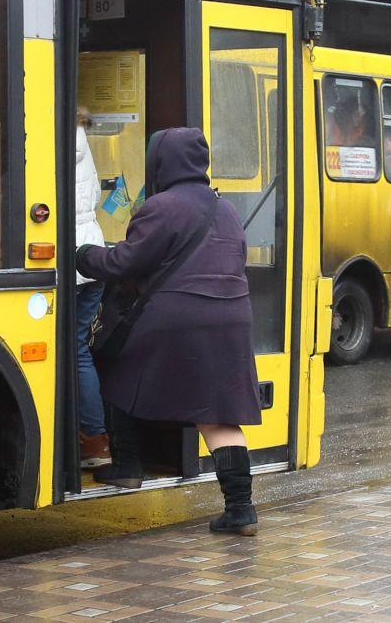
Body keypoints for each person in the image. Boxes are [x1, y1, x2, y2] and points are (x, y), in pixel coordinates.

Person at [77, 127, 262, 536]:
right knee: (219, 415)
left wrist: (84, 255)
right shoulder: (225, 209)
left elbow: (124, 263)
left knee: (115, 370)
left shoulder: (161, 207)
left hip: (180, 318)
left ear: (160, 162)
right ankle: (241, 509)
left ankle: (127, 466)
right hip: (232, 317)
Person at [74, 109, 110, 469]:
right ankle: (93, 439)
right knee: (79, 348)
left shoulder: (51, 140)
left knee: (73, 351)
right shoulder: (82, 140)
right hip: (92, 255)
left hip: (70, 259)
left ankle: (94, 439)